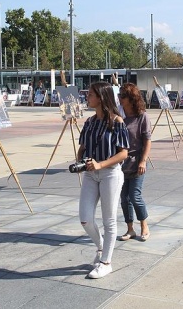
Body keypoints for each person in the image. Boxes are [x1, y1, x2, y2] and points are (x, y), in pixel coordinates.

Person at [77, 81, 129, 279]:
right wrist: (80, 161)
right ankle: (100, 247)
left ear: (101, 97)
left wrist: (100, 164)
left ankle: (106, 262)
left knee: (109, 220)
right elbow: (82, 147)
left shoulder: (117, 122)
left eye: (90, 95)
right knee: (85, 218)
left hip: (110, 173)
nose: (87, 97)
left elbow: (124, 153)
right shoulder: (89, 122)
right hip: (90, 174)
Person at [118, 83, 151, 242]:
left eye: (122, 96)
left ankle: (144, 226)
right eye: (119, 95)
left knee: (134, 196)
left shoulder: (142, 116)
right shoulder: (119, 115)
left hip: (137, 162)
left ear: (131, 99)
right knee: (124, 198)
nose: (119, 98)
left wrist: (143, 161)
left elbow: (147, 141)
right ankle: (130, 229)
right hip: (121, 164)